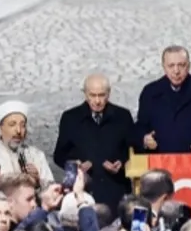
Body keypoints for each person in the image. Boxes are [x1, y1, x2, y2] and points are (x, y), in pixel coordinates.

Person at [53, 74, 135, 210]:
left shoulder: (122, 116)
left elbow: (132, 150)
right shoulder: (70, 118)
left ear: (109, 94)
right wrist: (75, 165)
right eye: (93, 95)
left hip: (116, 190)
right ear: (85, 94)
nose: (97, 101)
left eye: (101, 95)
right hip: (83, 191)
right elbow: (59, 156)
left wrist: (120, 163)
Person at [133, 46, 191, 155]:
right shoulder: (150, 92)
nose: (176, 71)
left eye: (181, 65)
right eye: (171, 66)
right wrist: (145, 139)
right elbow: (140, 126)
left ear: (188, 66)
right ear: (164, 67)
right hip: (158, 160)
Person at [0, 102, 55, 186]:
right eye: (12, 125)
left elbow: (52, 188)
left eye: (23, 125)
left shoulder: (37, 155)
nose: (18, 131)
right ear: (0, 130)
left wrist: (37, 181)